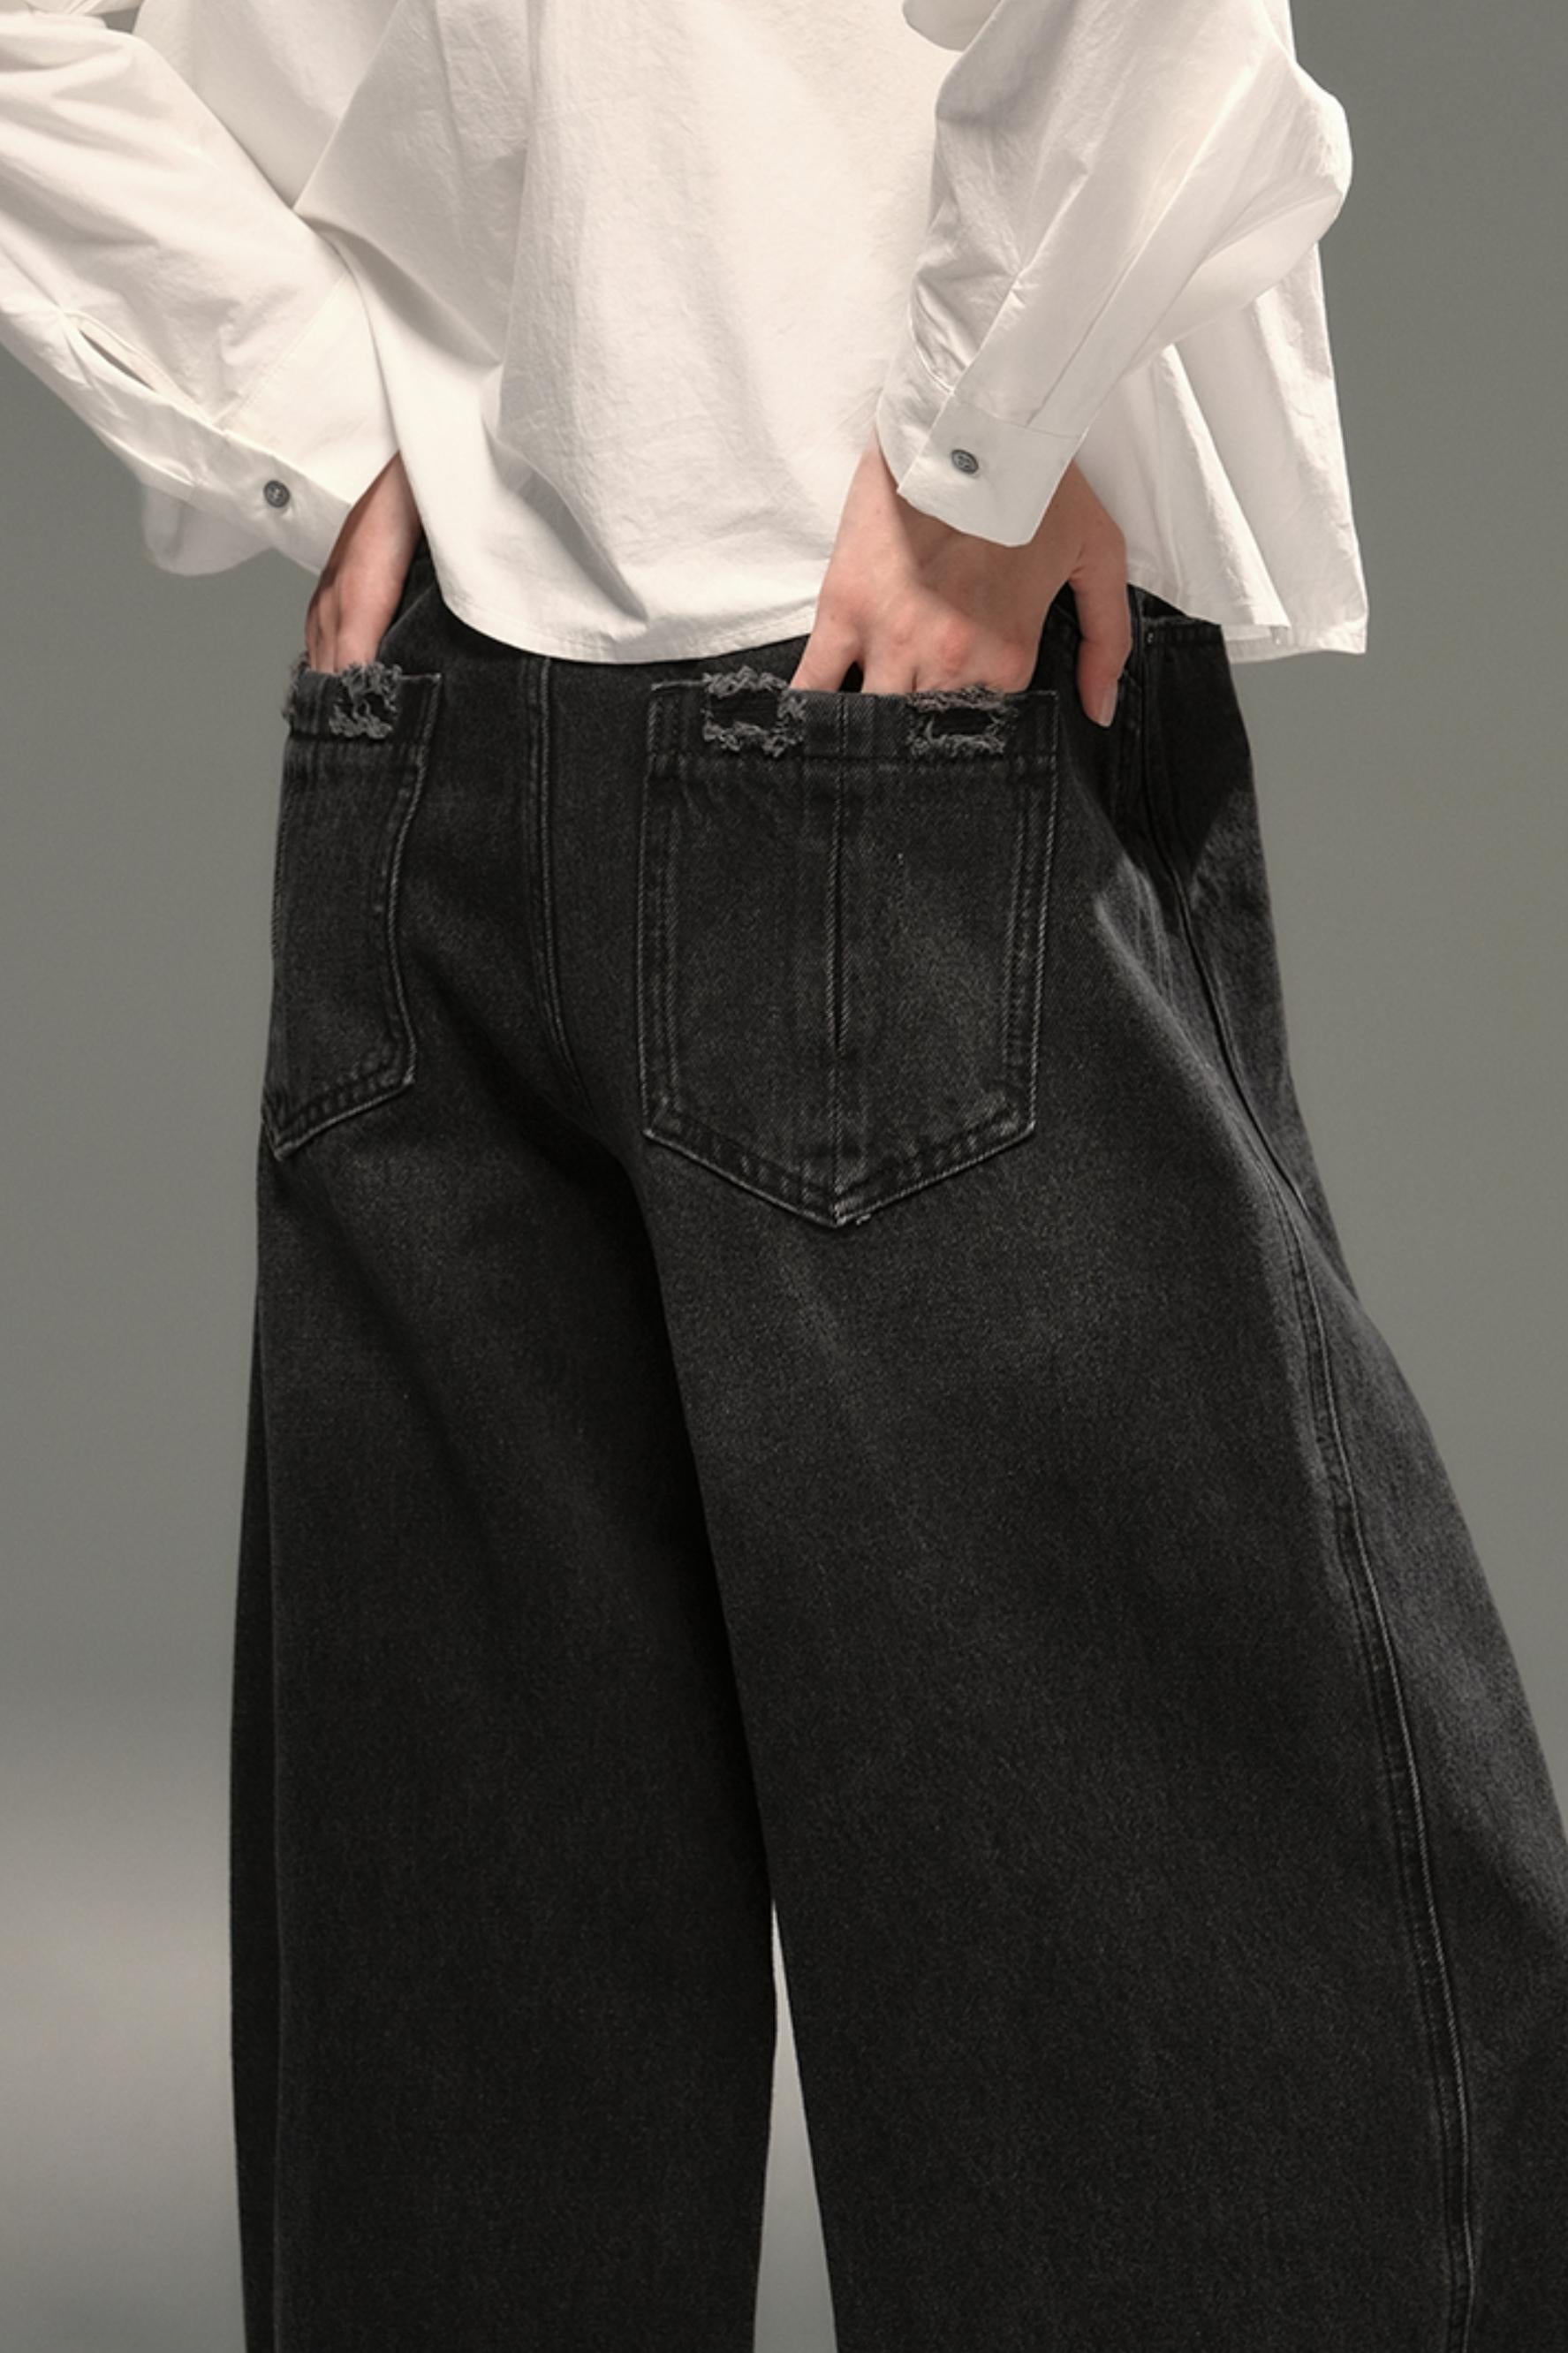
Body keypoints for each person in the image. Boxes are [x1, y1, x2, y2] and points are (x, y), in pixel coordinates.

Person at [4, 2, 1565, 2346]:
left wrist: (306, 412)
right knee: (1224, 2134)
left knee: (473, 2164)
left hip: (437, 725)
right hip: (881, 682)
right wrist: (974, 438)